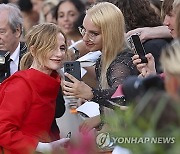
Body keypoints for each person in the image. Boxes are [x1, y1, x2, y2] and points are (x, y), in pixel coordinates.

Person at [63, 2, 138, 131]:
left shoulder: (121, 63)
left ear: (111, 33)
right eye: (84, 30)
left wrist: (91, 94)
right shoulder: (104, 58)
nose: (85, 38)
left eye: (94, 34)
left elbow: (121, 101)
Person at [0, 23, 69, 154]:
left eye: (62, 48)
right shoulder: (21, 85)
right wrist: (43, 147)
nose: (59, 54)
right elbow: (2, 130)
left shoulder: (51, 83)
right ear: (33, 50)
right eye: (51, 47)